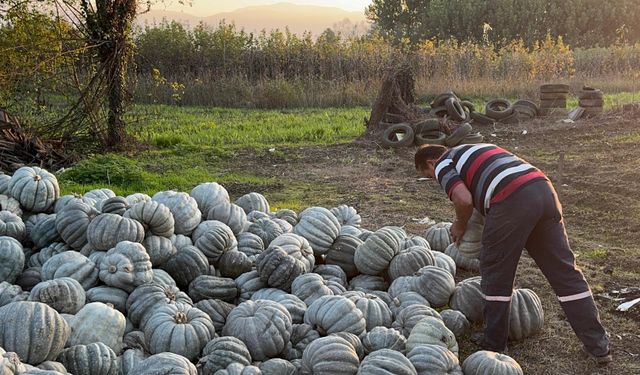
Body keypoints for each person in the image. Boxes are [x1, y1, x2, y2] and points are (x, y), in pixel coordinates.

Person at [414, 143, 611, 364]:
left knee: (496, 271)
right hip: (544, 190)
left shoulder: (443, 162)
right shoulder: (477, 148)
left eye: (429, 176)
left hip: (512, 198)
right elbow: (489, 185)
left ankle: (494, 343)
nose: (435, 180)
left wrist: (460, 224)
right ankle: (598, 345)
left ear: (430, 162)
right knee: (566, 273)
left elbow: (463, 199)